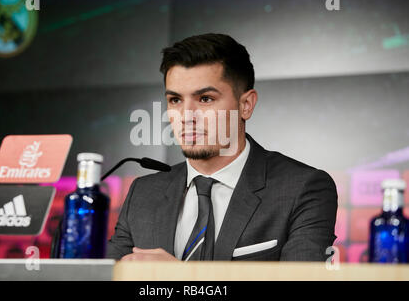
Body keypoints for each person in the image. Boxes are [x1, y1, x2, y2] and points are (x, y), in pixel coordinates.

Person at [106, 33, 338, 261]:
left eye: (205, 99)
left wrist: (179, 279)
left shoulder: (303, 189)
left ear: (246, 105)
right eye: (175, 100)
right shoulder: (143, 193)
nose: (186, 116)